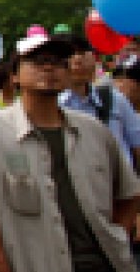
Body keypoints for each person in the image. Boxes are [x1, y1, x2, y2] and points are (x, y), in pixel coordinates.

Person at [0, 34, 140, 272]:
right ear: (14, 75)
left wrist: (118, 236)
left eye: (58, 62)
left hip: (104, 265)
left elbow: (129, 193)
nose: (49, 67)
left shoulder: (94, 131)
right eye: (37, 60)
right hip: (35, 266)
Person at [59, 35, 140, 172]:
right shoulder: (51, 105)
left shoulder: (114, 99)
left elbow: (137, 145)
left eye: (83, 52)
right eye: (71, 54)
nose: (78, 59)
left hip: (120, 188)